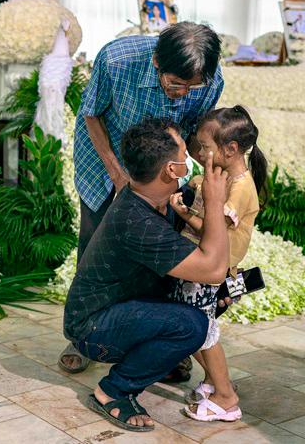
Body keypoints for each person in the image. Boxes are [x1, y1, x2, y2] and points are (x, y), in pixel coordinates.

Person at [58, 22, 224, 375]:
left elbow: (193, 132)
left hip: (164, 172)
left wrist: (204, 172)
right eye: (175, 84)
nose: (183, 93)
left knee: (165, 253)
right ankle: (85, 333)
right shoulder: (117, 60)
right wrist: (118, 174)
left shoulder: (209, 78)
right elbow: (91, 113)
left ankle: (161, 342)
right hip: (106, 163)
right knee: (96, 245)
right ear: (155, 63)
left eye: (192, 87)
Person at [64, 117, 230, 432]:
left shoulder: (149, 197)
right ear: (170, 170)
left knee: (189, 308)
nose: (189, 160)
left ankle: (150, 362)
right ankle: (114, 390)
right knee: (191, 326)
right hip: (92, 327)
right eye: (184, 154)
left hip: (113, 308)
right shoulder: (138, 222)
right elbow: (213, 270)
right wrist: (215, 200)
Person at [169, 105, 267, 422]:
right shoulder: (221, 175)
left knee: (202, 333)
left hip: (210, 268)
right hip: (199, 263)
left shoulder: (240, 189)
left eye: (206, 147)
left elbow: (215, 234)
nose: (200, 152)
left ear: (231, 149)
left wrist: (185, 214)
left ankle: (226, 397)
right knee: (193, 328)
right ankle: (214, 381)